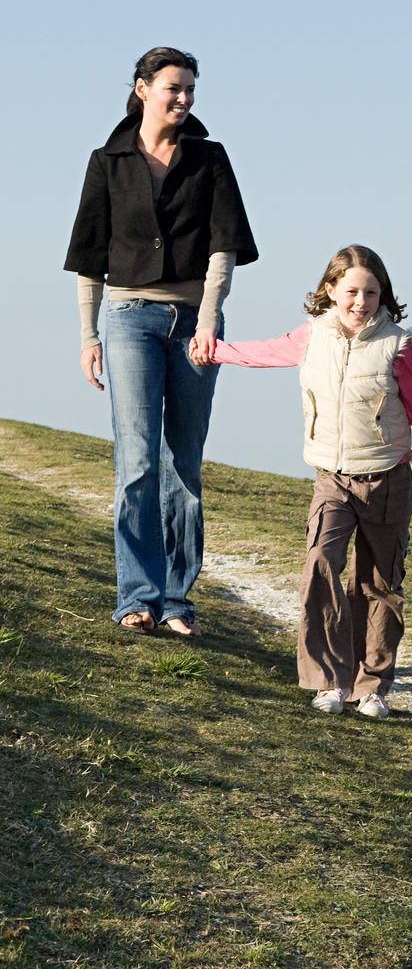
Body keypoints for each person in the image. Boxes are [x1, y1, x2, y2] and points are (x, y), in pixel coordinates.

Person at [191, 245, 412, 717]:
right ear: (330, 291)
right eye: (351, 291)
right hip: (333, 478)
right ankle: (327, 681)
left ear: (383, 295)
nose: (361, 301)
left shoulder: (396, 344)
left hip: (388, 479)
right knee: (321, 563)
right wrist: (215, 350)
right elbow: (262, 353)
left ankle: (373, 687)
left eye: (371, 292)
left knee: (379, 583)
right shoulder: (311, 336)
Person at [65, 46, 258, 635]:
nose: (184, 98)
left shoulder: (210, 158)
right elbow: (89, 259)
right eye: (173, 87)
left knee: (185, 464)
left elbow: (224, 247)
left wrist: (206, 320)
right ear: (143, 88)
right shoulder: (107, 161)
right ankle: (136, 597)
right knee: (136, 458)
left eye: (190, 89)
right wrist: (88, 336)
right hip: (126, 319)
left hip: (194, 323)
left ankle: (177, 600)